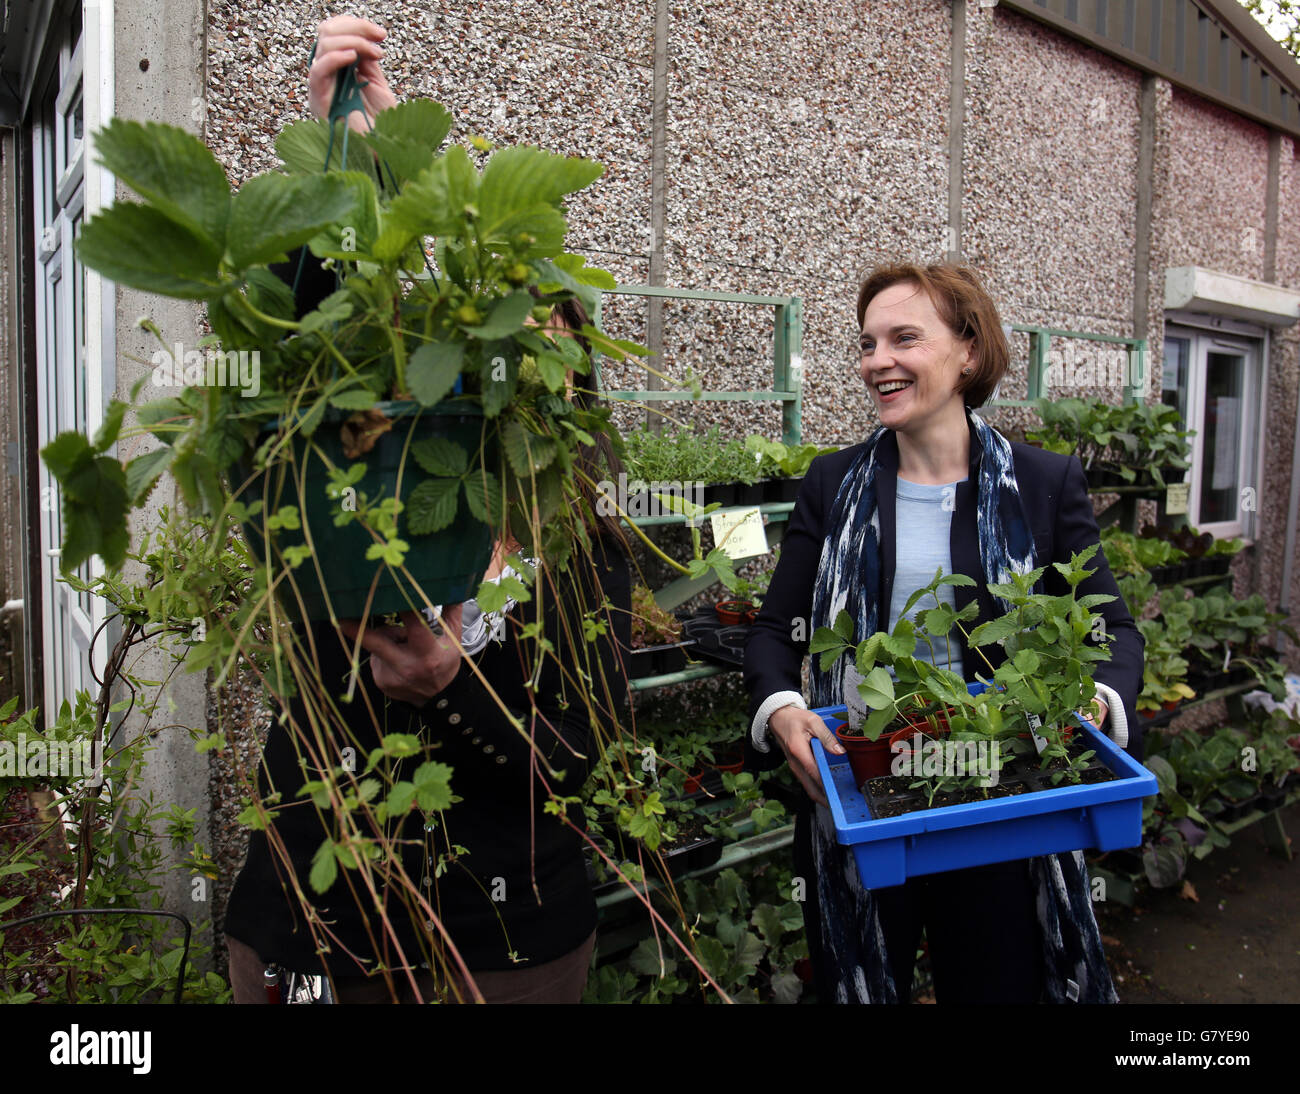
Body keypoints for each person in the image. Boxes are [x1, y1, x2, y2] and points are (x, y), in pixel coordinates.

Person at [223, 15, 632, 1003]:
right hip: (314, 925)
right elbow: (294, 368)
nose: (508, 390)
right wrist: (359, 167)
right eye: (490, 358)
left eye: (541, 363)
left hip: (508, 944)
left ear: (575, 393)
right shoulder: (357, 495)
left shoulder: (585, 546)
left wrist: (449, 684)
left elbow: (580, 761)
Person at [743, 262, 1144, 1004]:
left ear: (968, 352)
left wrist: (1094, 699)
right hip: (865, 790)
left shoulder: (1042, 482)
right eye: (867, 344)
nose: (877, 362)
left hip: (998, 795)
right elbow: (775, 631)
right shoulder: (833, 484)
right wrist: (781, 709)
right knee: (861, 979)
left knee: (997, 982)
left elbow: (1111, 627)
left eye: (903, 339)